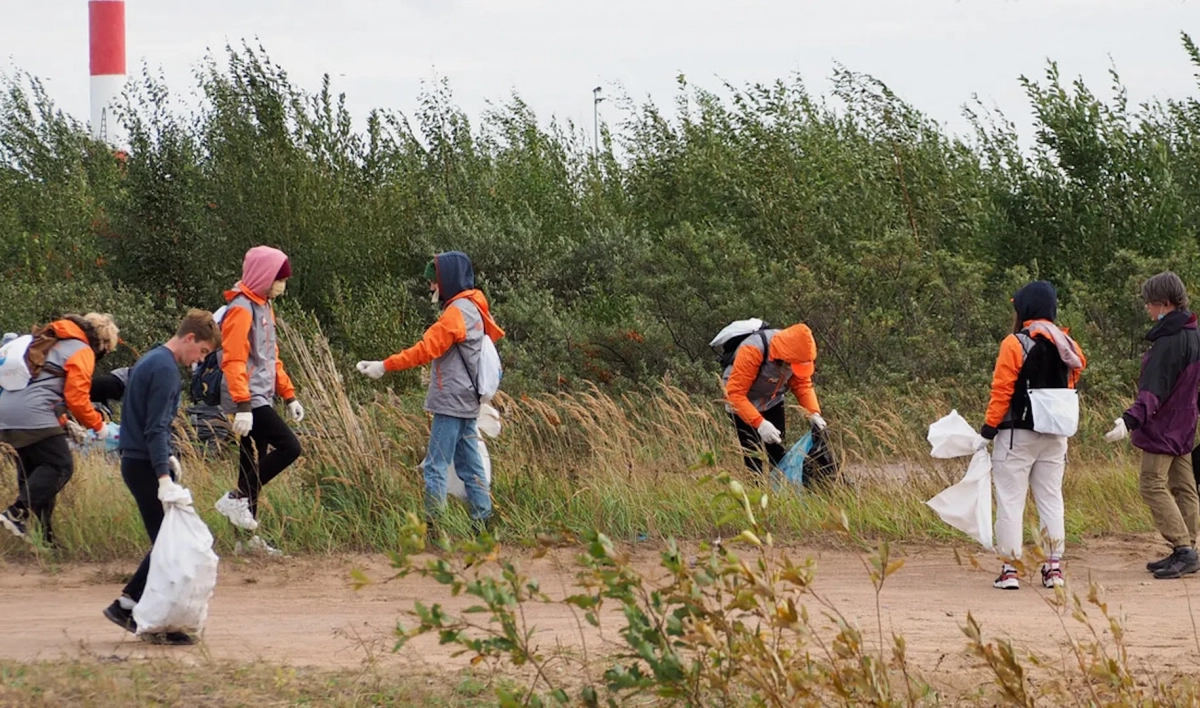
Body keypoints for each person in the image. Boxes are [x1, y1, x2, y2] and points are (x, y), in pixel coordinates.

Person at [355, 251, 504, 537]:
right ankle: (483, 525)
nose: (431, 287)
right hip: (469, 401)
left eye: (434, 281)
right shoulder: (476, 307)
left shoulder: (455, 313)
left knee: (435, 466)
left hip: (451, 401)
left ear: (447, 280)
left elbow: (425, 350)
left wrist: (384, 366)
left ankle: (434, 529)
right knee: (469, 463)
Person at [102, 309, 220, 645]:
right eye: (202, 352)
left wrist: (163, 458)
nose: (199, 360)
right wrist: (163, 475)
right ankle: (140, 613)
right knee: (172, 547)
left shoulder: (150, 359)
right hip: (143, 465)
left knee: (167, 544)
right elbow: (156, 427)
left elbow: (141, 419)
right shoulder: (166, 369)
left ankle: (129, 606)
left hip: (135, 459)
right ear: (190, 339)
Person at [979, 281, 1085, 590]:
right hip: (1055, 435)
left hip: (1017, 435)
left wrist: (988, 429)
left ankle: (1010, 570)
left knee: (1011, 501)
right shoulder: (1069, 344)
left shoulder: (1014, 343)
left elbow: (1002, 390)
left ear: (1024, 308)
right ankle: (1053, 568)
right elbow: (1076, 373)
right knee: (1051, 498)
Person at [1104, 272, 1200, 580]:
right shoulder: (1194, 334)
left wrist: (1128, 420)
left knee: (1151, 483)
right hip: (1185, 425)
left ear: (1164, 304)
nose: (1147, 308)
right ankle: (1189, 549)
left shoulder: (1168, 343)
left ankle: (1183, 548)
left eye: (1150, 303)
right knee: (1184, 486)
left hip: (1164, 429)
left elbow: (1153, 390)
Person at [212, 246, 304, 555]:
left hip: (261, 396)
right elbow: (234, 359)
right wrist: (243, 404)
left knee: (250, 461)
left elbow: (270, 358)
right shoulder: (241, 308)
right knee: (291, 447)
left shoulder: (263, 306)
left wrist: (289, 394)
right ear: (265, 276)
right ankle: (237, 498)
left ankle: (244, 541)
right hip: (247, 399)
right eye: (280, 279)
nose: (283, 285)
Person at [0, 313, 119, 545]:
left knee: (36, 475)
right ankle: (16, 513)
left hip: (7, 414)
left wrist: (63, 423)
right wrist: (98, 426)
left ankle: (45, 540)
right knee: (60, 466)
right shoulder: (81, 349)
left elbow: (43, 385)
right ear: (102, 344)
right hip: (33, 416)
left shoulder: (49, 340)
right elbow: (76, 398)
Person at [722, 323, 825, 475]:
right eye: (791, 365)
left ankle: (779, 491)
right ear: (784, 357)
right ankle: (754, 491)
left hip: (772, 400)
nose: (791, 369)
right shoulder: (753, 350)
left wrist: (813, 412)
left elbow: (802, 384)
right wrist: (760, 424)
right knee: (752, 455)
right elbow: (735, 394)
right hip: (742, 403)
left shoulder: (797, 351)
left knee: (778, 451)